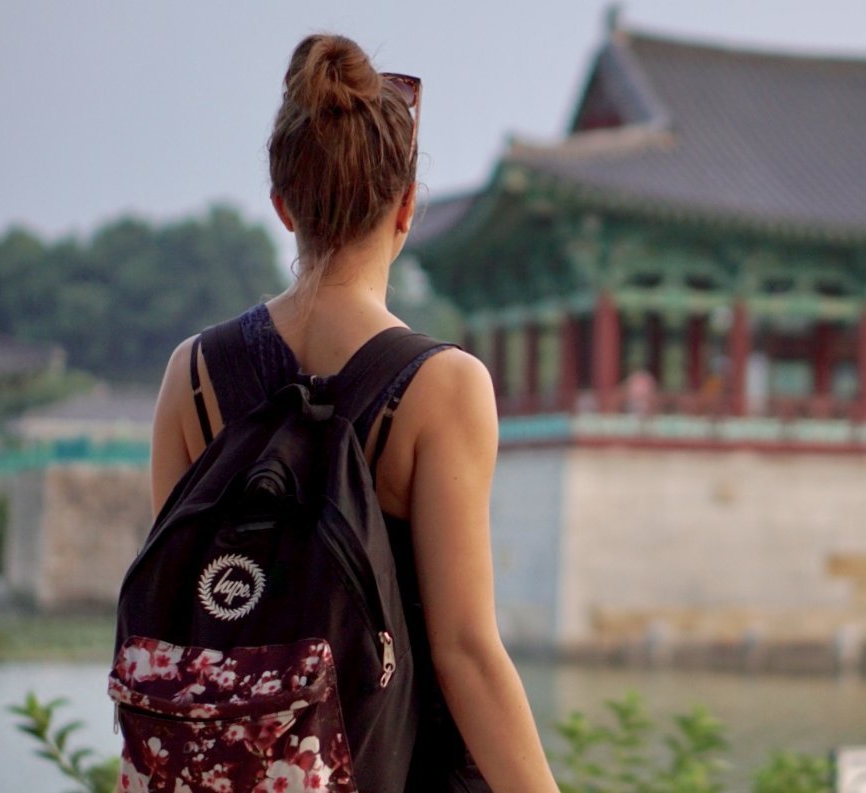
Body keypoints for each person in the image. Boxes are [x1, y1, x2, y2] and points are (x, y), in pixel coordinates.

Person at [147, 33, 558, 792]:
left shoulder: (191, 374)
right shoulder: (443, 386)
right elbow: (464, 650)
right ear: (406, 206)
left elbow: (172, 617)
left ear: (282, 207)